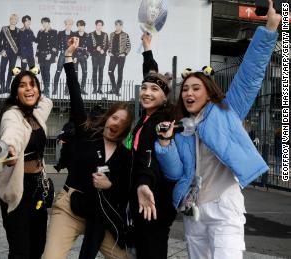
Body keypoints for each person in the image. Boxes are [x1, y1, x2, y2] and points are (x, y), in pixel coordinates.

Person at [155, 3, 280, 258]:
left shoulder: (226, 111)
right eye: (185, 89)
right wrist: (165, 145)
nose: (189, 93)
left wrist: (268, 29)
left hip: (225, 206)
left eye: (196, 88)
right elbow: (175, 172)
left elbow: (250, 75)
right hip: (194, 210)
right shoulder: (180, 127)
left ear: (209, 92)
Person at [44, 37, 132, 259]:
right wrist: (69, 57)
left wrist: (109, 184)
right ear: (107, 117)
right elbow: (76, 96)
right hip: (69, 207)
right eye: (114, 117)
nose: (115, 124)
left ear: (126, 129)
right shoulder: (87, 133)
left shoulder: (124, 155)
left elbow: (124, 188)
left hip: (100, 215)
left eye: (122, 123)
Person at [127, 33, 176, 259]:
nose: (147, 92)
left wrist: (144, 183)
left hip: (154, 199)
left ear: (165, 97)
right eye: (144, 88)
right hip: (142, 194)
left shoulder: (160, 121)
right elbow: (151, 75)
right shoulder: (147, 117)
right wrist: (147, 49)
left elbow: (150, 156)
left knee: (151, 251)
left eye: (154, 90)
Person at [0, 68, 53, 258]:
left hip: (38, 186)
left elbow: (47, 102)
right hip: (19, 188)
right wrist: (9, 148)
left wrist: (36, 93)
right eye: (23, 86)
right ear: (15, 92)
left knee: (38, 245)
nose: (29, 89)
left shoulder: (36, 114)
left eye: (33, 85)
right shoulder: (12, 115)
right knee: (20, 250)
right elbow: (12, 133)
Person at [107, 20, 131, 97]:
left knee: (119, 73)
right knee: (110, 72)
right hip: (113, 56)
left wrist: (125, 53)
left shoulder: (125, 35)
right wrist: (109, 51)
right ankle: (114, 88)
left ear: (122, 26)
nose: (118, 27)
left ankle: (117, 90)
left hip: (121, 57)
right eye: (117, 25)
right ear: (115, 26)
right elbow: (109, 44)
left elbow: (129, 46)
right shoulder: (111, 34)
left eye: (119, 25)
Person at [0, 14, 20, 94]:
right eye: (12, 19)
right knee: (2, 69)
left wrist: (18, 54)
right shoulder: (4, 29)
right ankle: (2, 88)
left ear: (17, 21)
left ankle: (7, 87)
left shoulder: (18, 31)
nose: (13, 20)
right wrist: (1, 51)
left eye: (15, 19)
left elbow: (19, 44)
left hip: (14, 53)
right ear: (10, 20)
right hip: (5, 53)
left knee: (11, 71)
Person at [36, 17, 58, 96]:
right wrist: (36, 55)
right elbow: (38, 44)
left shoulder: (54, 32)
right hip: (41, 55)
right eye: (43, 23)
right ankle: (45, 87)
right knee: (42, 71)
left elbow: (56, 45)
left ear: (49, 23)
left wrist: (52, 54)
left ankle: (47, 88)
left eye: (45, 22)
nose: (44, 24)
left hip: (49, 55)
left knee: (47, 71)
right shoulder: (40, 32)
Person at [53, 18, 75, 95]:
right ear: (65, 25)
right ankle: (54, 89)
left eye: (69, 24)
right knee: (58, 71)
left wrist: (74, 57)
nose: (68, 26)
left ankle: (66, 91)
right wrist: (55, 55)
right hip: (62, 54)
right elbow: (56, 44)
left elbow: (75, 47)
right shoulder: (60, 33)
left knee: (68, 74)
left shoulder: (74, 34)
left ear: (71, 25)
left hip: (70, 55)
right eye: (66, 24)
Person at [90, 19, 109, 94]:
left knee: (101, 72)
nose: (99, 26)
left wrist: (104, 50)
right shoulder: (91, 34)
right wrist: (95, 48)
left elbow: (107, 45)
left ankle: (100, 89)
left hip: (102, 56)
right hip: (94, 56)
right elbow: (89, 46)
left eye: (100, 25)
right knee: (94, 72)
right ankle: (94, 89)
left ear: (102, 26)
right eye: (98, 25)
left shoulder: (105, 34)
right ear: (96, 25)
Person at [73, 20, 90, 95]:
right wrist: (73, 56)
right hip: (75, 56)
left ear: (84, 26)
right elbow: (71, 46)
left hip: (83, 56)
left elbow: (89, 47)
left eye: (82, 26)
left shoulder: (87, 35)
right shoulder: (74, 34)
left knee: (85, 72)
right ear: (77, 26)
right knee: (75, 73)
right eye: (79, 26)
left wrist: (86, 55)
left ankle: (82, 89)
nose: (80, 27)